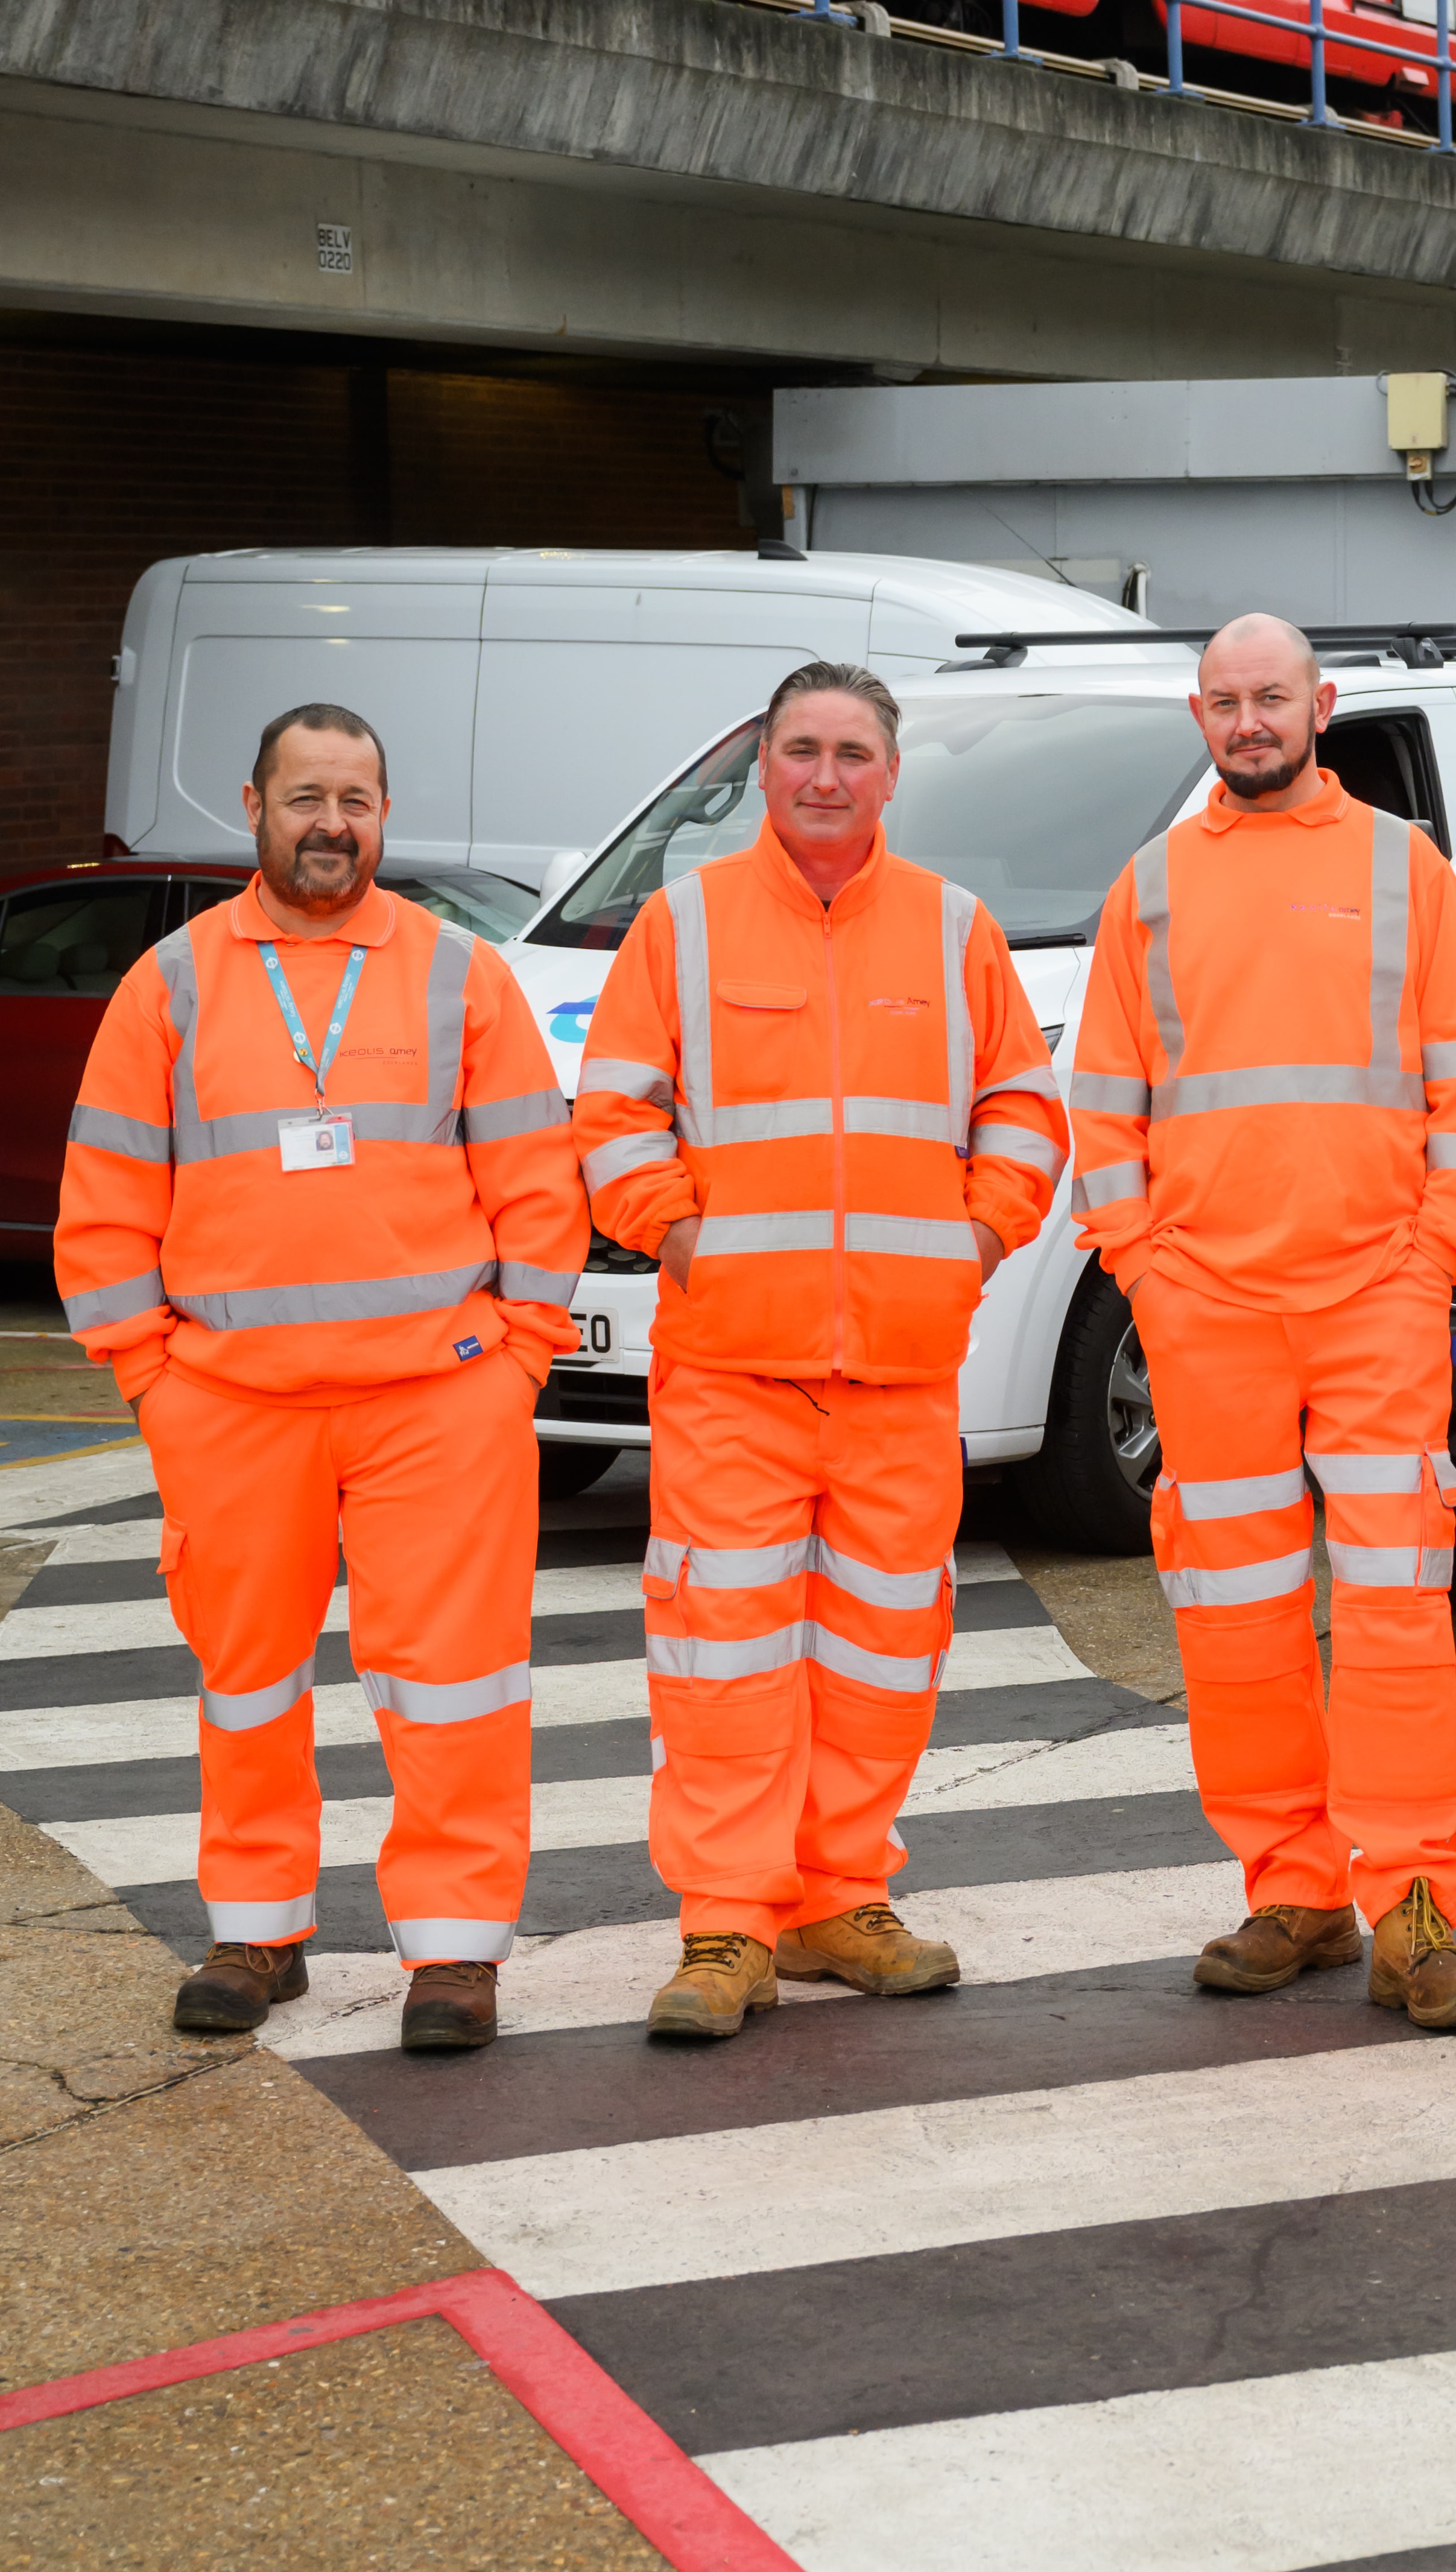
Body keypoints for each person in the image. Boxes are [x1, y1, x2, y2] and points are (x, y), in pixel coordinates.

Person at [54, 703, 587, 2056]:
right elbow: (105, 1208)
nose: (331, 825)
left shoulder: (461, 976)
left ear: (385, 815)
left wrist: (515, 1360)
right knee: (247, 1677)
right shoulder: (168, 985)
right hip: (230, 1406)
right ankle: (257, 1931)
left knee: (456, 1680)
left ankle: (455, 1954)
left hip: (436, 1401)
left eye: (356, 798)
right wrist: (152, 1381)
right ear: (253, 805)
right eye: (306, 797)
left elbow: (537, 1191)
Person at [572, 662, 1068, 2044]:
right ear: (763, 769)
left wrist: (975, 1243)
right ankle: (727, 1923)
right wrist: (675, 1235)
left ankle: (837, 1894)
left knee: (879, 1656)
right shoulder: (685, 925)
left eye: (853, 750)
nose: (827, 774)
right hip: (734, 1368)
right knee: (722, 1656)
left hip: (902, 1376)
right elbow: (614, 1108)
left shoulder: (954, 929)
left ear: (893, 774)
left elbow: (1025, 1110)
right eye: (801, 749)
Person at [1068, 612, 1456, 2027]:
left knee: (1394, 1615)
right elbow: (1105, 1104)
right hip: (1207, 1313)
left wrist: (1437, 1250)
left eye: (1271, 698)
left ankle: (1417, 1907)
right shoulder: (1145, 891)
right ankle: (1294, 1887)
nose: (1248, 722)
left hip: (1375, 1294)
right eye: (1223, 702)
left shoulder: (1402, 867)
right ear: (1196, 717)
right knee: (1235, 1615)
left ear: (1320, 704)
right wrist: (1143, 1266)